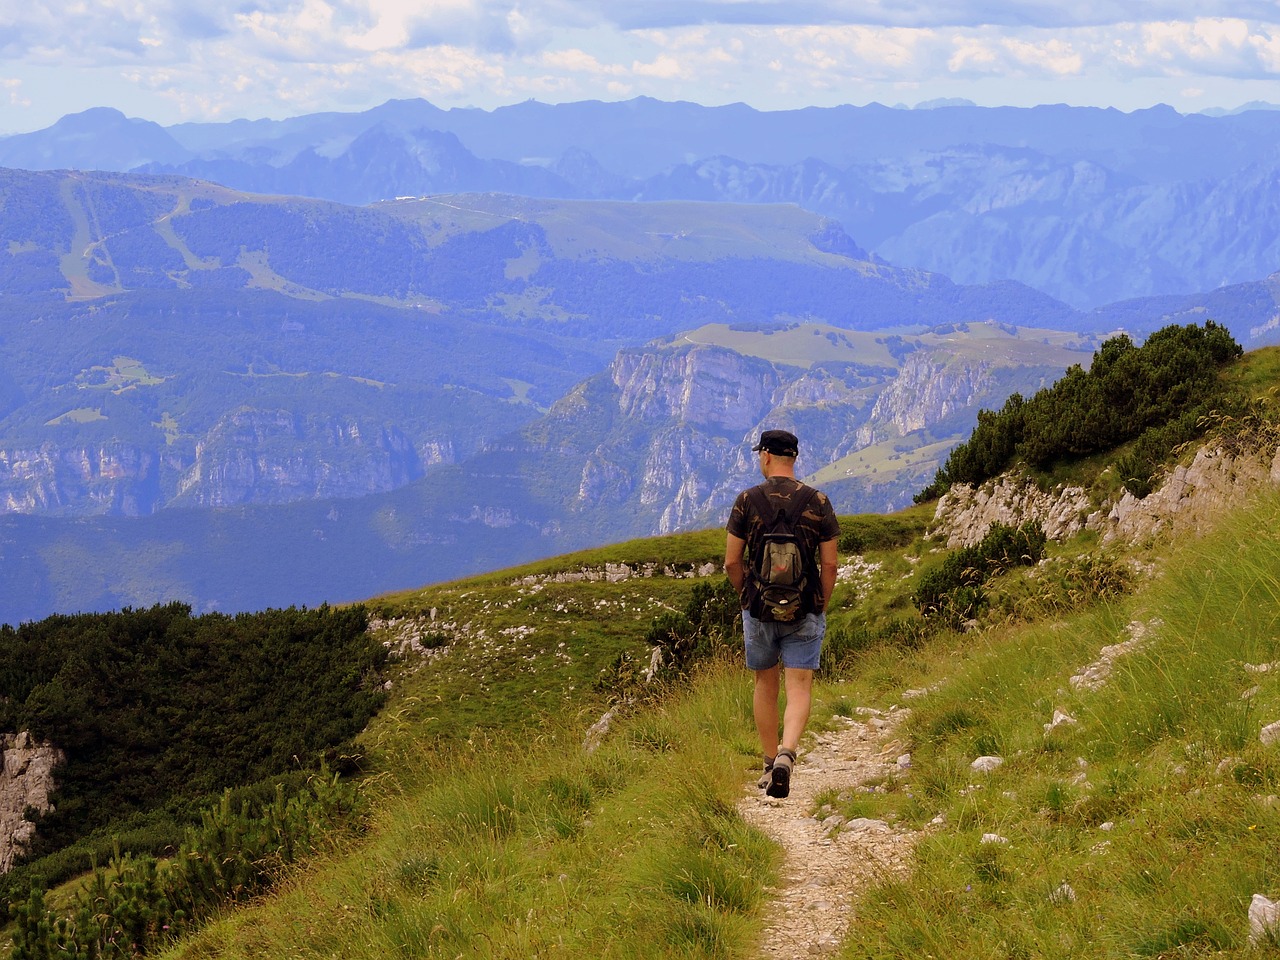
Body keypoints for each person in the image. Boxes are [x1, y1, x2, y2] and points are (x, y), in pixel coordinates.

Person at [725, 429, 839, 799]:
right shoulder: (818, 501)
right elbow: (830, 564)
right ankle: (787, 754)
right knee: (800, 685)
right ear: (794, 457)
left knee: (765, 684)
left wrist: (747, 596)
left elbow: (730, 562)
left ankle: (768, 760)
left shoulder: (747, 500)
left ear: (767, 456)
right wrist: (819, 603)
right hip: (804, 607)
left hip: (758, 610)